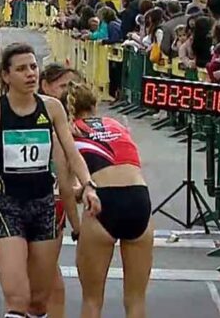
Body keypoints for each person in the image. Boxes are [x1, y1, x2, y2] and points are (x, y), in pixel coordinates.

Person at [0, 43, 101, 318]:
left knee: (39, 302)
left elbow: (71, 151)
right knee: (17, 298)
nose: (30, 74)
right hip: (8, 208)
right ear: (6, 76)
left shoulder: (52, 109)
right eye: (21, 69)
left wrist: (88, 184)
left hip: (45, 208)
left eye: (33, 67)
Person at [64, 82, 152, 318]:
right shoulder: (117, 125)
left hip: (105, 202)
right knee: (136, 299)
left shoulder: (68, 133)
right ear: (95, 105)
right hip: (139, 198)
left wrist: (76, 226)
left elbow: (66, 187)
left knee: (92, 300)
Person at [37, 63, 81, 318]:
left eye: (70, 86)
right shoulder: (39, 114)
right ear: (46, 86)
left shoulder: (66, 119)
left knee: (47, 272)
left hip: (54, 202)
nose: (68, 91)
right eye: (63, 86)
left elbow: (69, 173)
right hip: (32, 198)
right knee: (42, 273)